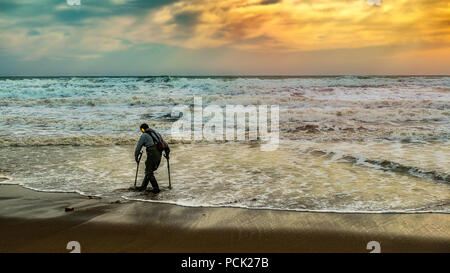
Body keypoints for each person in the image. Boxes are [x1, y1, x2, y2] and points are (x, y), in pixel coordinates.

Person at [134, 123, 170, 193]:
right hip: (159, 153)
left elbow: (138, 147)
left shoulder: (144, 135)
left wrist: (136, 157)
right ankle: (143, 187)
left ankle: (156, 188)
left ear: (142, 129)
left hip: (152, 153)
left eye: (141, 130)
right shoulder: (157, 133)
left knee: (148, 171)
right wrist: (167, 154)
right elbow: (165, 144)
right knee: (149, 171)